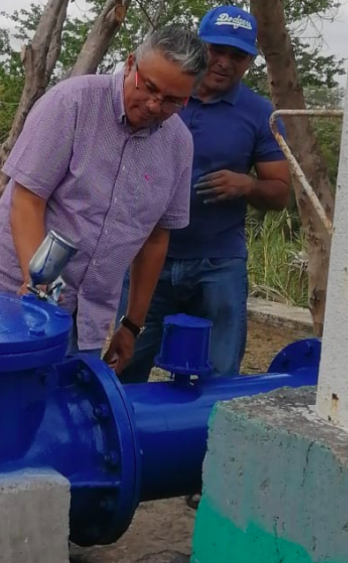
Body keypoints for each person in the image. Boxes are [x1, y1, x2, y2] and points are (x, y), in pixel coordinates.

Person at [0, 25, 208, 365]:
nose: (154, 104)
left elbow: (155, 239)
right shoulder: (72, 102)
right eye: (148, 87)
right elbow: (28, 201)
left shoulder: (179, 146)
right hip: (1, 289)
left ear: (188, 98)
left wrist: (132, 324)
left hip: (84, 318)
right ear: (132, 63)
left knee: (59, 412)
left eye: (171, 101)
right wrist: (38, 284)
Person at [115, 6, 291, 384]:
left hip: (218, 264)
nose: (225, 63)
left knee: (220, 376)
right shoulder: (161, 95)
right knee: (124, 369)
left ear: (249, 61)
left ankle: (208, 442)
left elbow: (281, 192)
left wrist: (248, 185)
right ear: (199, 46)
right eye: (217, 50)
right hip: (147, 259)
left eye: (238, 55)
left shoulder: (260, 114)